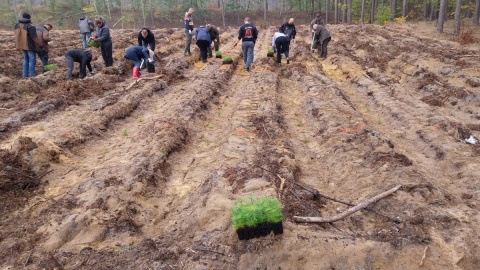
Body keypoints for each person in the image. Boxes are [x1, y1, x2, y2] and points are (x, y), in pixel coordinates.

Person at [14, 12, 40, 78]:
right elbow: (34, 37)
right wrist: (40, 44)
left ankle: (24, 75)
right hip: (30, 46)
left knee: (25, 59)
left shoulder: (17, 25)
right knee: (32, 60)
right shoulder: (30, 26)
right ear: (29, 18)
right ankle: (32, 76)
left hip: (21, 45)